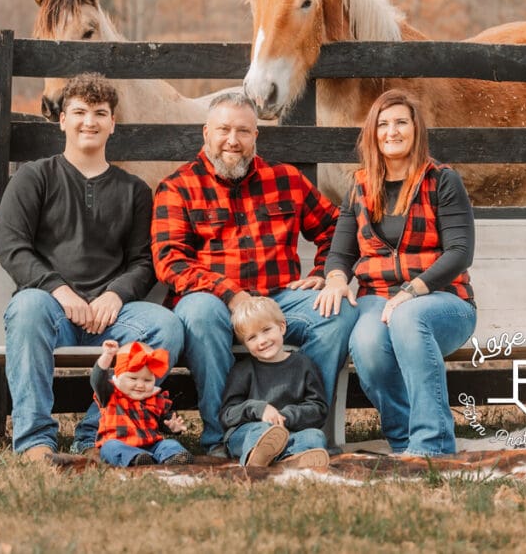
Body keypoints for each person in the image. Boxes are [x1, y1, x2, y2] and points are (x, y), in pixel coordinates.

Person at [151, 92, 357, 457]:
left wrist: (324, 273)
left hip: (278, 299)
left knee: (335, 311)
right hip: (213, 303)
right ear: (206, 133)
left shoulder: (286, 180)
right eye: (224, 130)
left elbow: (337, 228)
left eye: (243, 131)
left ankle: (305, 428)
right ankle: (223, 435)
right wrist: (230, 293)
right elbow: (170, 261)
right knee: (198, 313)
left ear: (255, 136)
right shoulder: (177, 187)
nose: (233, 140)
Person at [0, 73, 184, 461]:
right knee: (26, 309)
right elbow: (14, 250)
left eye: (100, 113)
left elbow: (144, 261)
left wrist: (115, 295)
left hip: (111, 316)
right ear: (62, 119)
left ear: (112, 123)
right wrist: (59, 291)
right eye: (80, 111)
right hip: (53, 310)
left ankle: (97, 430)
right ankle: (35, 440)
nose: (90, 121)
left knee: (166, 324)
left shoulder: (134, 190)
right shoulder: (34, 177)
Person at [314, 89, 477, 456]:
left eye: (401, 122)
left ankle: (433, 445)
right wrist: (336, 280)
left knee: (408, 318)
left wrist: (411, 291)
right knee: (367, 343)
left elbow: (460, 252)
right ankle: (405, 442)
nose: (392, 131)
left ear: (416, 129)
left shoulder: (442, 181)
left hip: (443, 301)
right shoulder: (359, 186)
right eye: (383, 124)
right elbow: (340, 253)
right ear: (372, 133)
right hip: (377, 299)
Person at [220, 297, 330, 468]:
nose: (262, 340)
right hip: (247, 433)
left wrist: (284, 417)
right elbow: (227, 415)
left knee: (315, 436)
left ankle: (289, 461)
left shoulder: (304, 365)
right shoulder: (242, 370)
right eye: (252, 338)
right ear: (245, 344)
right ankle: (256, 460)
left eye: (266, 330)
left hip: (290, 432)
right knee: (260, 432)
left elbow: (318, 409)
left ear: (282, 327)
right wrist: (258, 409)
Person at [90, 340, 193, 466]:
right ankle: (134, 459)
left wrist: (172, 426)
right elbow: (97, 379)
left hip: (151, 445)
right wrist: (107, 356)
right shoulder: (110, 394)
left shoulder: (156, 398)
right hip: (120, 443)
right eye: (133, 378)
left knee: (169, 444)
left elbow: (162, 422)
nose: (140, 385)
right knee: (110, 448)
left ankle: (175, 457)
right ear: (119, 376)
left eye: (147, 380)